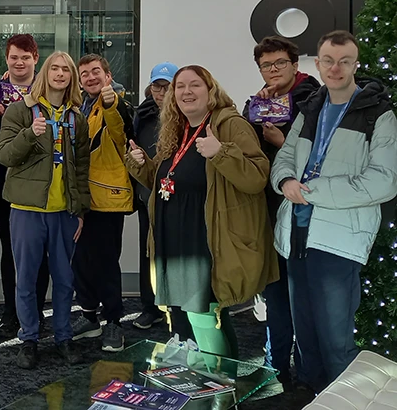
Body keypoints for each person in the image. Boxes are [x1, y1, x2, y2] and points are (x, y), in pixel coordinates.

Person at [271, 30, 397, 392]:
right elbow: (284, 158)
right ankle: (311, 397)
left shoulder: (378, 113)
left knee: (334, 341)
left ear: (356, 63)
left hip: (338, 240)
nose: (336, 68)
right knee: (306, 338)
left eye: (344, 61)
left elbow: (384, 181)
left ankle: (340, 400)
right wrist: (284, 182)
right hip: (296, 234)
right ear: (317, 63)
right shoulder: (311, 107)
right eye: (328, 60)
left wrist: (312, 191)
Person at [127, 65, 278, 358]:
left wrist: (220, 152)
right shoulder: (177, 129)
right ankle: (198, 383)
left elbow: (258, 177)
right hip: (173, 238)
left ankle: (223, 390)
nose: (186, 92)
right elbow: (169, 183)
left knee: (205, 316)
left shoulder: (229, 124)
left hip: (204, 240)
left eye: (195, 85)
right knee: (181, 318)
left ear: (211, 90)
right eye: (180, 86)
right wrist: (141, 164)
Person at [0, 51, 90, 369]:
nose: (61, 73)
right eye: (55, 68)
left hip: (63, 213)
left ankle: (64, 338)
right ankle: (29, 340)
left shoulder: (76, 118)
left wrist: (80, 210)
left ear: (71, 77)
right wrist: (29, 134)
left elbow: (81, 169)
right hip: (26, 210)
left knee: (65, 280)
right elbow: (5, 155)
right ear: (45, 73)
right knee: (26, 280)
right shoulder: (20, 111)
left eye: (67, 69)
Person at [243, 36, 319, 383]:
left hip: (306, 212)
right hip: (269, 211)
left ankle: (307, 369)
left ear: (295, 65)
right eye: (266, 65)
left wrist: (282, 142)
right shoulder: (258, 103)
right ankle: (276, 364)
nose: (273, 71)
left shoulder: (317, 100)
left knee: (304, 293)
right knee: (274, 289)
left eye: (279, 64)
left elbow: (322, 156)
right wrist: (252, 115)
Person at [0, 34, 51, 338]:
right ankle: (10, 312)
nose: (19, 63)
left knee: (38, 250)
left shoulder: (47, 88)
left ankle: (36, 313)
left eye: (25, 57)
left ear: (36, 58)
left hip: (39, 178)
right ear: (6, 59)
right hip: (2, 178)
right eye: (14, 58)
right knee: (10, 247)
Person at [71, 54, 135, 352]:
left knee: (106, 262)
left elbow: (120, 130)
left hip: (107, 196)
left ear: (108, 76)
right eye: (84, 74)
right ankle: (88, 316)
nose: (90, 77)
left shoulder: (116, 103)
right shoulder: (79, 106)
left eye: (96, 72)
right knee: (80, 260)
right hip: (80, 196)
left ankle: (113, 321)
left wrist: (111, 103)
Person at [131, 62, 194, 339]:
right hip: (149, 195)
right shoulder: (142, 114)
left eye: (167, 86)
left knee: (177, 254)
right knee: (149, 253)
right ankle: (150, 306)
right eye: (157, 86)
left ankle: (178, 308)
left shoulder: (187, 115)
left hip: (180, 199)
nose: (161, 92)